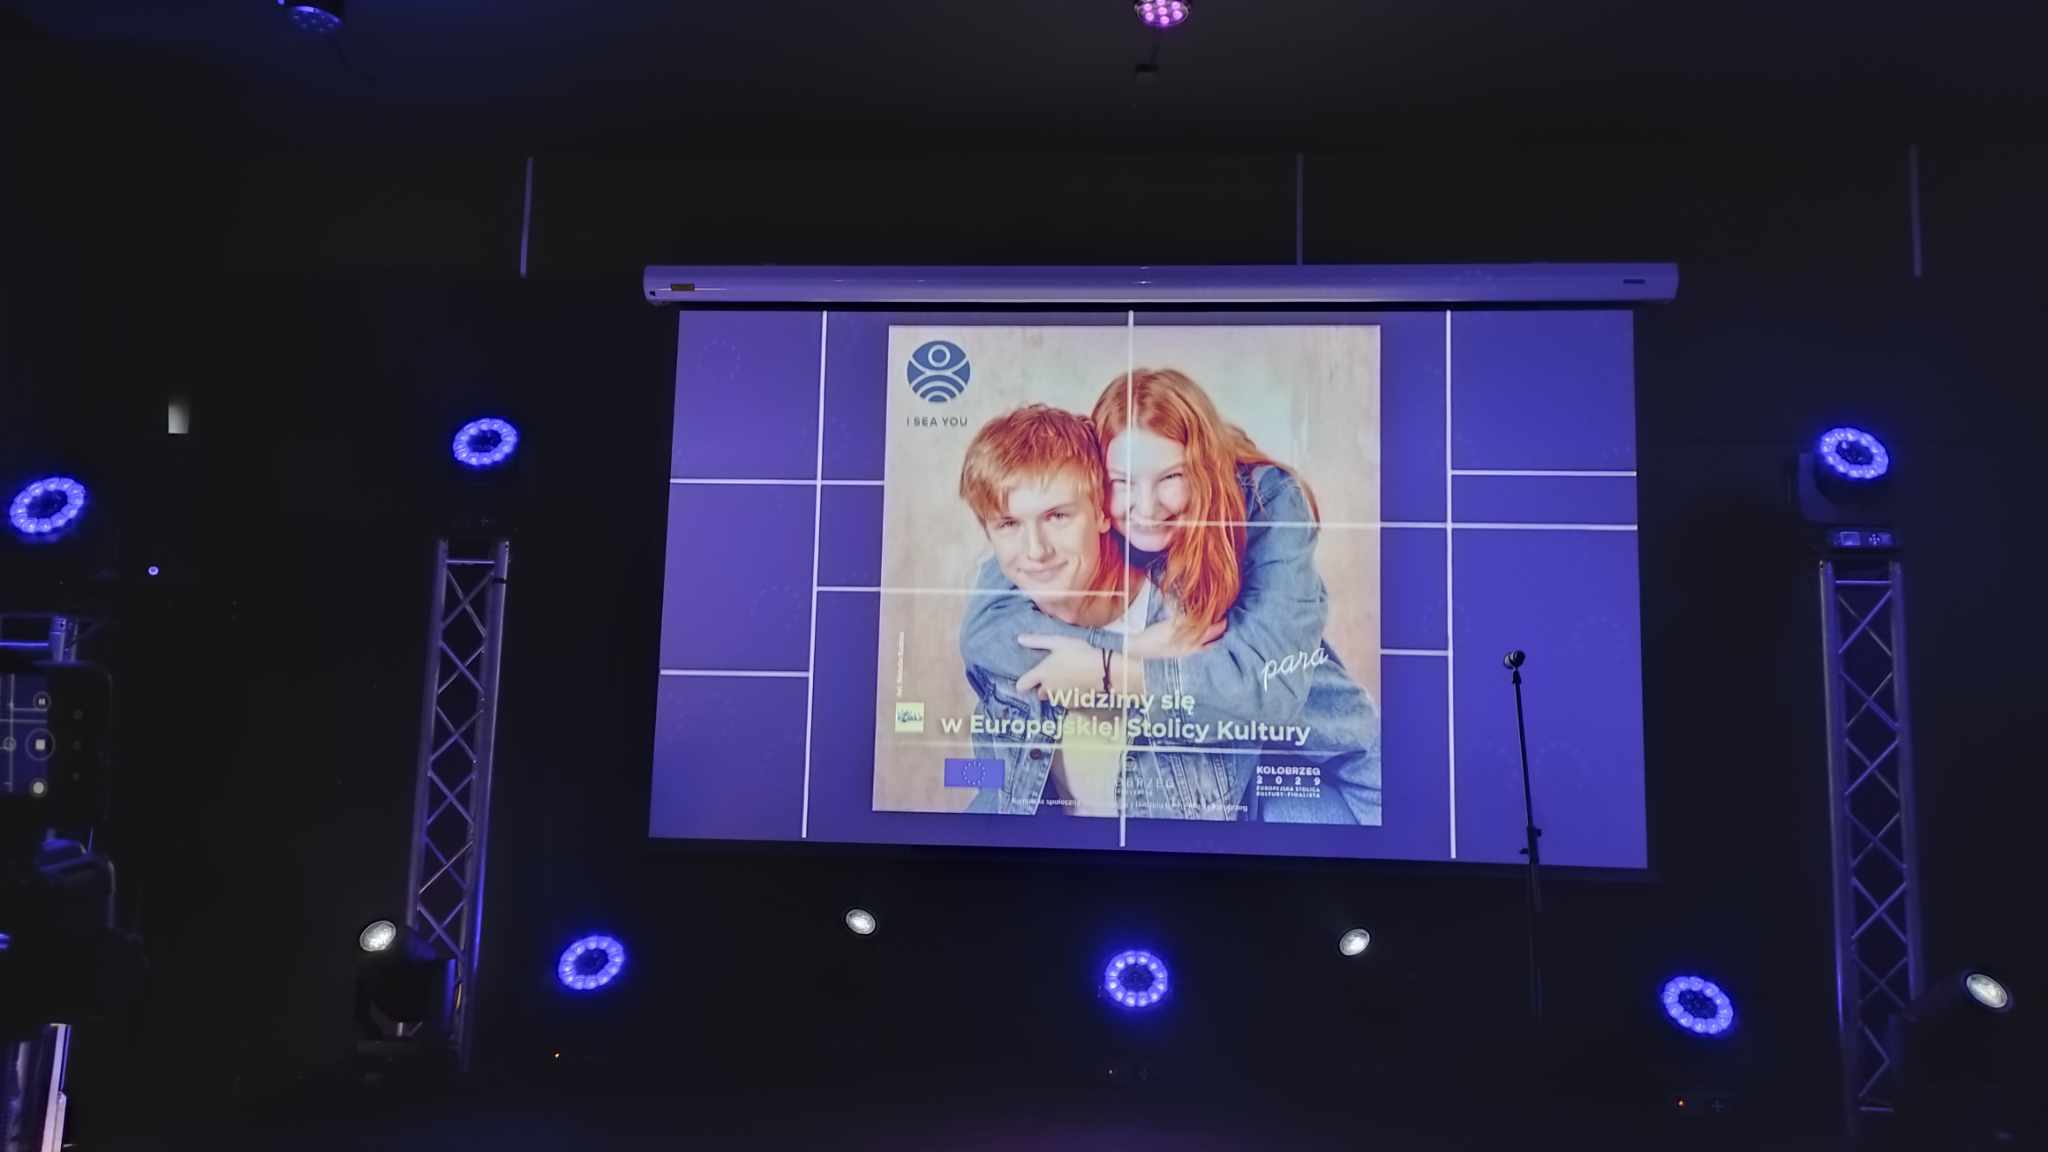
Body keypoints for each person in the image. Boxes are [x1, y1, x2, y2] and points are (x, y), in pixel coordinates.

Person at [961, 368, 1381, 825]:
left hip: (1339, 770)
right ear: (1099, 491)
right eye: (1122, 482)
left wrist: (1111, 674)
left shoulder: (1257, 517)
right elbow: (985, 628)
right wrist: (1128, 652)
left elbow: (1273, 691)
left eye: (1171, 477)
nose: (1146, 507)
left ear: (1203, 473)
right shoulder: (1046, 549)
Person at [951, 405, 1150, 817]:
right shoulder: (996, 629)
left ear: (1102, 512)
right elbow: (996, 783)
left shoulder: (1182, 616)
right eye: (1008, 524)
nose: (1036, 551)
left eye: (1057, 516)